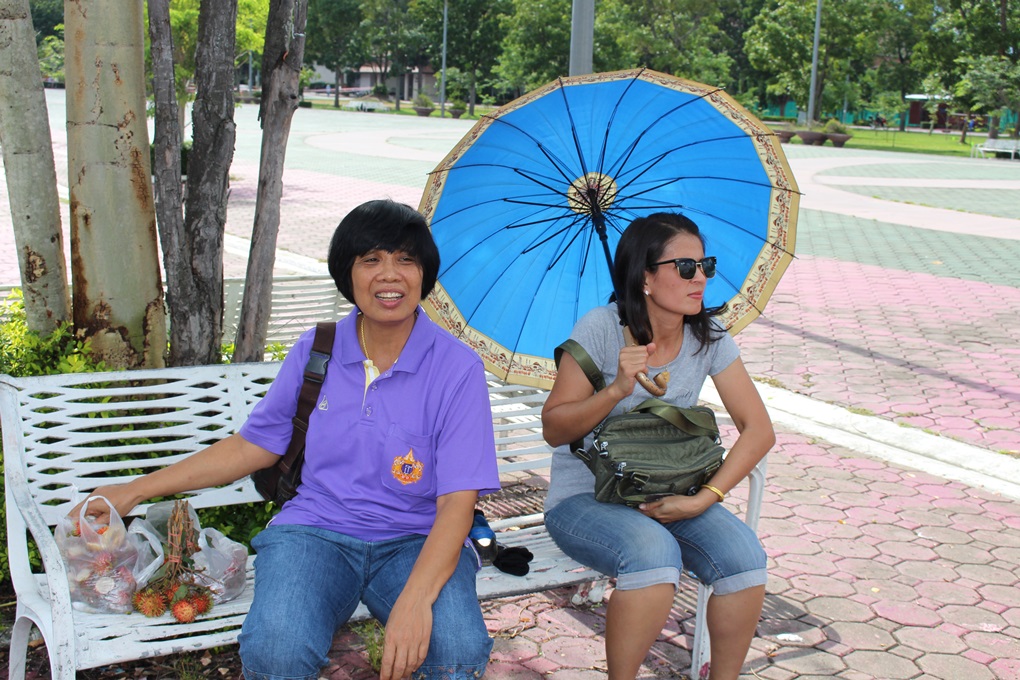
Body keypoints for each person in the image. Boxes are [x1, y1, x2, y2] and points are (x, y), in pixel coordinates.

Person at [72, 200, 500, 680]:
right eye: (371, 259)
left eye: (406, 259)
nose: (389, 274)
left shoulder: (456, 368)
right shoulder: (317, 350)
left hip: (416, 539)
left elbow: (458, 502)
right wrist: (133, 490)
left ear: (424, 274)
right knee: (278, 650)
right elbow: (251, 446)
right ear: (348, 273)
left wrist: (417, 599)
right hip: (315, 532)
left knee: (455, 650)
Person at [541, 212, 775, 680]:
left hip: (671, 495)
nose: (700, 277)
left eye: (705, 265)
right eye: (685, 267)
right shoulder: (602, 328)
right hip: (586, 500)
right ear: (645, 277)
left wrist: (704, 499)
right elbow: (554, 428)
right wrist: (615, 389)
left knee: (744, 558)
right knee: (653, 553)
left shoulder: (707, 336)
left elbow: (759, 430)